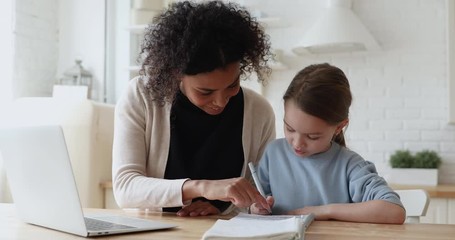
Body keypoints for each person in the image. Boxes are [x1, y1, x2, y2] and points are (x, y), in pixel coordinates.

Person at [112, 0, 276, 217]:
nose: (220, 101)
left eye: (232, 85)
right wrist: (203, 188)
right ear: (176, 73)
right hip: (153, 231)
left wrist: (222, 207)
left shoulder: (259, 112)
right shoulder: (141, 96)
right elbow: (125, 188)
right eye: (205, 92)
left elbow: (257, 195)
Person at [250, 63, 406, 224]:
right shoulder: (273, 153)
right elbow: (255, 203)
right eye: (289, 129)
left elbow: (394, 211)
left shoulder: (350, 165)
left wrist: (322, 211)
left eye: (312, 136)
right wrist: (256, 208)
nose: (297, 143)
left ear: (339, 127)